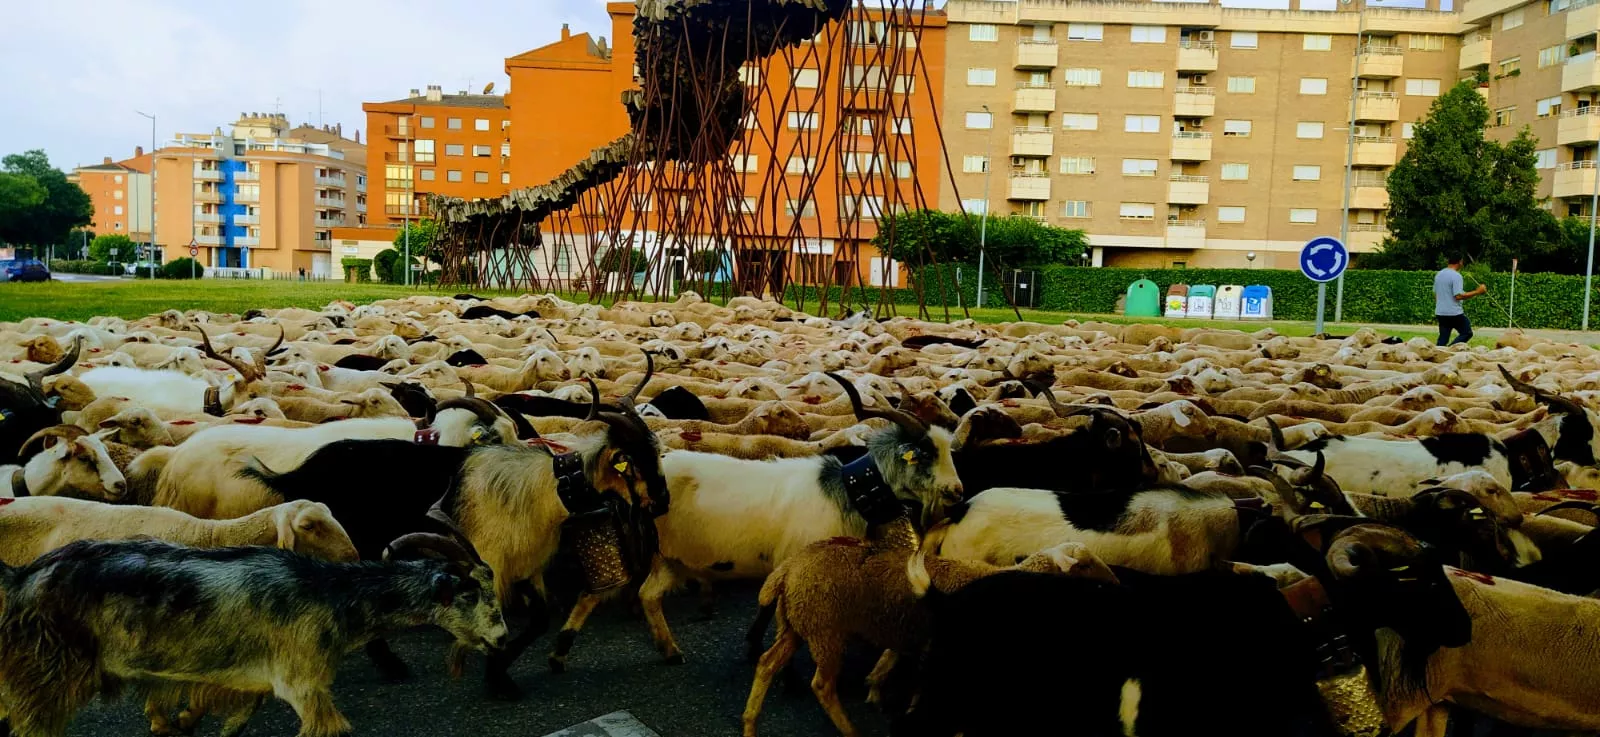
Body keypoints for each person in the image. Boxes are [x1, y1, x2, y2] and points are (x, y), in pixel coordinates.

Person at [1434, 256, 1486, 346]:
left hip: (1440, 312)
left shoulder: (1439, 274)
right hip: (1454, 313)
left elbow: (1436, 294)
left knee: (1443, 339)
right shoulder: (1456, 276)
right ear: (1460, 262)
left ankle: (1438, 352)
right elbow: (1458, 296)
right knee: (1467, 332)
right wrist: (1478, 292)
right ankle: (1451, 349)